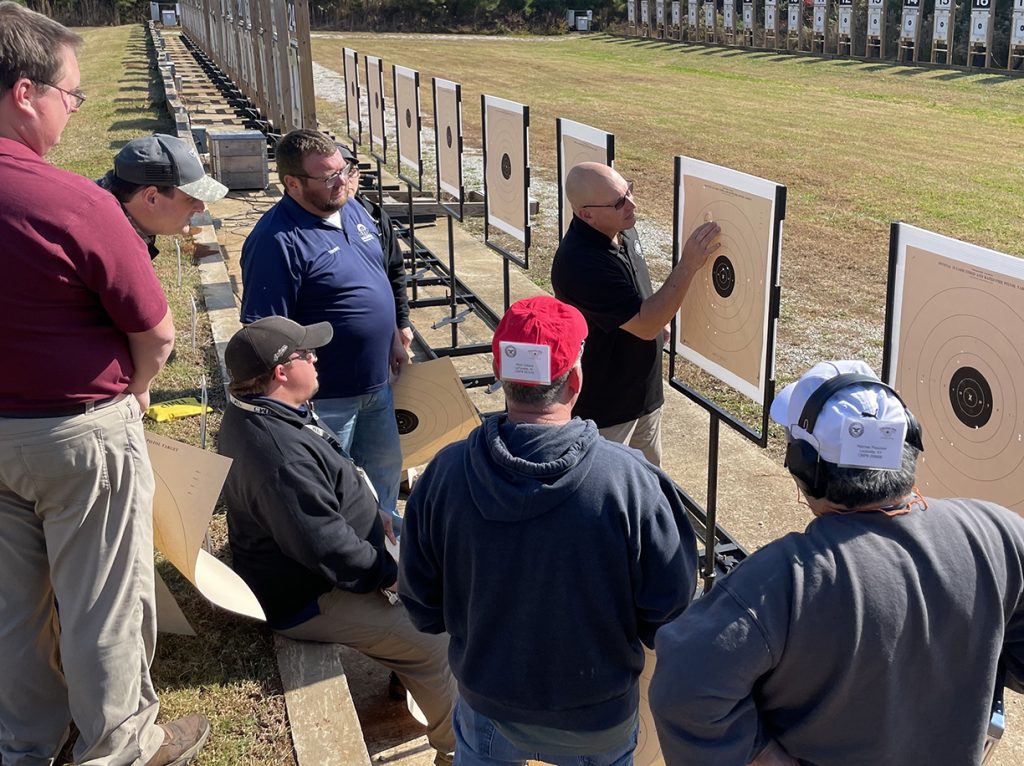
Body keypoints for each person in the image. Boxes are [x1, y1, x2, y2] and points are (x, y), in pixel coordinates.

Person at [0, 3, 208, 765]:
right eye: (71, 94)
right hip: (75, 434)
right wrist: (140, 387)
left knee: (12, 609)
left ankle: (25, 743)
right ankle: (120, 746)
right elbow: (154, 333)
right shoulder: (74, 202)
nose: (73, 108)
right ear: (26, 93)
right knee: (101, 601)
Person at [649, 360, 1024, 766]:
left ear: (804, 468)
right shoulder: (999, 533)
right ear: (909, 445)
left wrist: (762, 756)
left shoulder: (782, 581)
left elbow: (684, 687)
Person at [399, 295, 699, 766]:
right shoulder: (631, 480)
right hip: (597, 718)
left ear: (503, 377)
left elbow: (421, 605)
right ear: (576, 379)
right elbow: (670, 610)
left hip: (486, 706)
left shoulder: (445, 473)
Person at [217, 316, 456, 764]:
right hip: (312, 594)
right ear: (281, 372)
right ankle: (458, 749)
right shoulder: (278, 456)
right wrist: (394, 577)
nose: (316, 357)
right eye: (305, 353)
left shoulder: (268, 411)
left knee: (443, 556)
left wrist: (377, 513)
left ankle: (401, 673)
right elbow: (330, 552)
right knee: (437, 638)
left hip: (334, 562)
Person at [240, 129, 407, 532]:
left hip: (376, 385)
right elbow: (265, 333)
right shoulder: (275, 240)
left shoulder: (354, 209)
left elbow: (386, 273)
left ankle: (384, 546)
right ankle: (348, 562)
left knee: (384, 472)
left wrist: (398, 328)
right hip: (326, 399)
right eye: (328, 177)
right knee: (336, 489)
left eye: (344, 170)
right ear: (293, 183)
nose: (341, 181)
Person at [551, 161, 720, 466]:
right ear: (586, 214)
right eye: (618, 202)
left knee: (647, 485)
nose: (632, 204)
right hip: (606, 412)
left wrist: (658, 323)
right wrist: (688, 264)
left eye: (628, 190)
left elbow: (636, 298)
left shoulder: (621, 227)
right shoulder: (579, 263)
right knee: (605, 495)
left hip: (645, 396)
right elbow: (644, 324)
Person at [98, 133, 229, 259]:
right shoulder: (111, 250)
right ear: (151, 198)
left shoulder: (105, 212)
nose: (201, 208)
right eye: (191, 198)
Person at [337, 143, 414, 355]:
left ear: (358, 175)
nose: (344, 181)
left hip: (383, 334)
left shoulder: (375, 216)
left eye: (349, 172)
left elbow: (395, 270)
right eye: (335, 174)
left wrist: (402, 321)